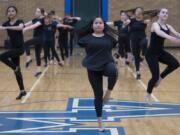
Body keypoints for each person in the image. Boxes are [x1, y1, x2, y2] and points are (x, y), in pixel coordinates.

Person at [78, 17, 118, 131]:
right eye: (96, 23)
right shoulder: (86, 39)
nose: (98, 25)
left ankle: (109, 92)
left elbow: (119, 43)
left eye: (100, 23)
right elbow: (78, 36)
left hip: (106, 64)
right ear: (92, 26)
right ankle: (100, 122)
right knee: (98, 95)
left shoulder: (110, 39)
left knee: (113, 70)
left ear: (104, 25)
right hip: (92, 67)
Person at [145, 8, 180, 105]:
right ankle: (148, 94)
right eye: (163, 12)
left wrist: (177, 36)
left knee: (175, 64)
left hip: (160, 52)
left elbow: (177, 34)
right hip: (151, 54)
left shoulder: (168, 26)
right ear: (159, 15)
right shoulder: (155, 24)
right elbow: (159, 32)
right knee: (154, 76)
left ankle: (161, 78)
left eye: (167, 13)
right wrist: (171, 38)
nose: (165, 14)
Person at [0, 6, 27, 100]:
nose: (10, 12)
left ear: (16, 13)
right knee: (17, 72)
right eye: (9, 11)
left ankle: (15, 67)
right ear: (7, 13)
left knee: (1, 56)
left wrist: (6, 27)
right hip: (13, 49)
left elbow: (20, 28)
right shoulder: (6, 23)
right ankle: (22, 91)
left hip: (20, 49)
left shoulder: (20, 21)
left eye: (12, 11)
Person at [23, 8, 45, 77]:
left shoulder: (42, 19)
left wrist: (25, 29)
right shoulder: (35, 19)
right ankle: (39, 71)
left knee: (26, 43)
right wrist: (21, 26)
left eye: (38, 11)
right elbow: (26, 24)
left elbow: (34, 26)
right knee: (37, 55)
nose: (36, 12)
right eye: (36, 11)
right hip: (36, 38)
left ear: (41, 13)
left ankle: (29, 58)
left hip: (40, 38)